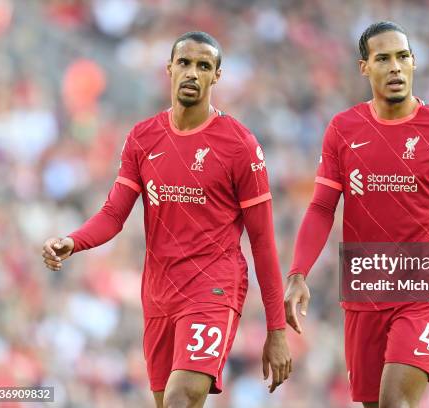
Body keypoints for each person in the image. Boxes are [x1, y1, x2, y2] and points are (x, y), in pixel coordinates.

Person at [42, 31, 291, 408]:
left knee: (180, 398)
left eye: (204, 66)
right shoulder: (143, 138)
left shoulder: (239, 145)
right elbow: (113, 214)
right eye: (185, 63)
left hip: (213, 289)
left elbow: (263, 242)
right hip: (158, 294)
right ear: (169, 69)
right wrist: (74, 241)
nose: (192, 73)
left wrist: (276, 330)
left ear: (217, 76)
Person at [284, 21, 429, 408]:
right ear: (364, 67)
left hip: (423, 290)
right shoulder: (343, 129)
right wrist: (297, 274)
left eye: (403, 57)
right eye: (383, 59)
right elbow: (321, 207)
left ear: (413, 63)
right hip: (364, 290)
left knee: (396, 401)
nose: (395, 67)